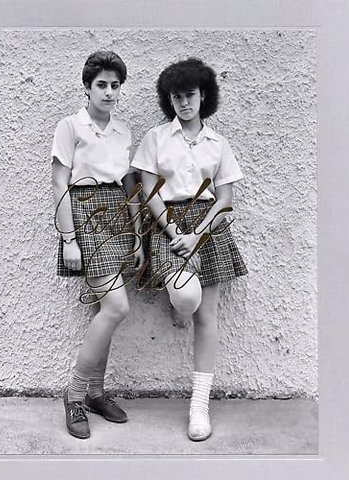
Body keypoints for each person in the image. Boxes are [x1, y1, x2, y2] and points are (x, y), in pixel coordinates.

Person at [131, 57, 248, 442]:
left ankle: (199, 406)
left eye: (190, 95)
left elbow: (225, 199)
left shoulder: (218, 143)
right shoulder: (155, 138)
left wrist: (197, 235)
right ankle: (180, 307)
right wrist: (174, 232)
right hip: (167, 223)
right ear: (168, 100)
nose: (184, 103)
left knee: (206, 315)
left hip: (208, 224)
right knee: (185, 296)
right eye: (176, 97)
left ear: (204, 96)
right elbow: (149, 192)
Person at [51, 51, 144, 439]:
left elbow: (129, 186)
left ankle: (95, 392)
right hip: (86, 214)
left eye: (115, 85)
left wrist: (138, 236)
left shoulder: (123, 132)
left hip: (118, 216)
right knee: (117, 307)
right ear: (87, 88)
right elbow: (60, 183)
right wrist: (68, 239)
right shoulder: (71, 126)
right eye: (101, 85)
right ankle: (74, 395)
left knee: (104, 310)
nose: (108, 92)